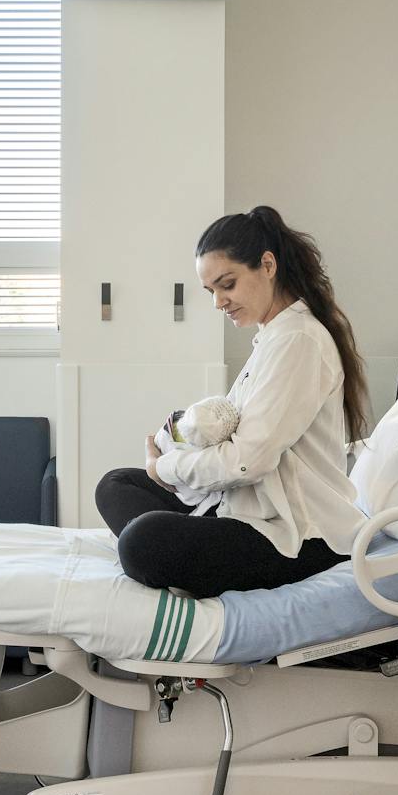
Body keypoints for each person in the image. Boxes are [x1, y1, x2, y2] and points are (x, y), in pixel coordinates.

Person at [94, 206, 369, 596]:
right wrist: (179, 446)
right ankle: (187, 566)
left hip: (300, 538)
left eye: (228, 284)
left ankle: (182, 567)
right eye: (212, 292)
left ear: (268, 265)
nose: (218, 302)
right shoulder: (273, 338)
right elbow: (231, 440)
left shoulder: (299, 340)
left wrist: (166, 468)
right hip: (245, 510)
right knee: (116, 485)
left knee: (143, 541)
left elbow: (247, 461)